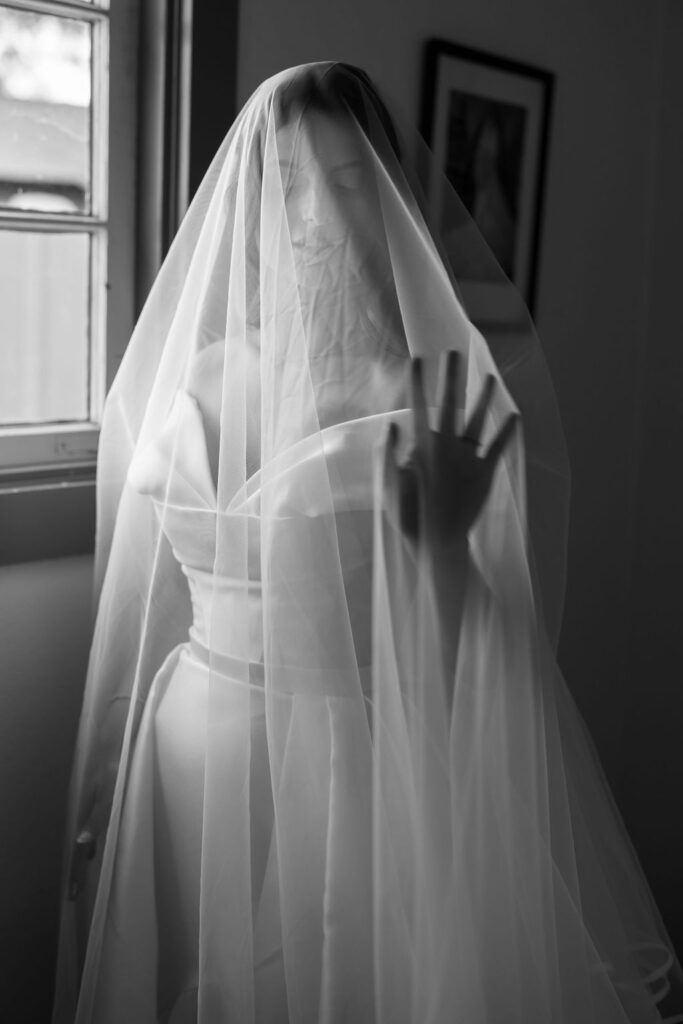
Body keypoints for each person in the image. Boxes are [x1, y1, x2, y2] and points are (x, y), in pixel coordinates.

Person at [51, 61, 683, 1024]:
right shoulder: (198, 372)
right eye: (291, 184)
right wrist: (100, 792)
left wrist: (444, 545)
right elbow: (142, 607)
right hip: (177, 764)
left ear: (387, 202)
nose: (314, 216)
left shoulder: (428, 400)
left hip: (334, 781)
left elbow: (484, 675)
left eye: (346, 183)